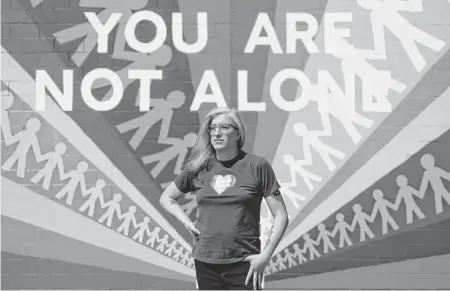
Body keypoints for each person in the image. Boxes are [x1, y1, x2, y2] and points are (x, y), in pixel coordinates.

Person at [159, 107, 289, 290]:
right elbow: (167, 198)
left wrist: (265, 256)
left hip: (245, 263)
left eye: (224, 127)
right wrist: (186, 222)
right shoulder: (198, 167)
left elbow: (281, 215)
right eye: (212, 128)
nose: (217, 133)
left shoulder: (257, 166)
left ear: (237, 133)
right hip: (205, 263)